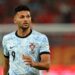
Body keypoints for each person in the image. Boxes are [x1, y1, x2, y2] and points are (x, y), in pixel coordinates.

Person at [2, 5, 50, 75]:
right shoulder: (7, 39)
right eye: (22, 17)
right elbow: (6, 64)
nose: (25, 19)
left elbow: (47, 65)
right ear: (15, 20)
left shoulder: (41, 38)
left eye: (28, 16)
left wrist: (34, 64)